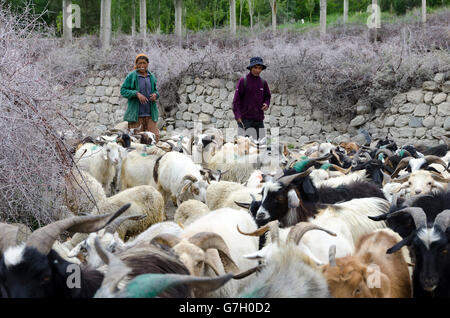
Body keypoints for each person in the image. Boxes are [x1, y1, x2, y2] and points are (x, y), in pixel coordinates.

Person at [120, 53, 160, 142]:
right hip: (136, 116)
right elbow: (123, 91)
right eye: (139, 63)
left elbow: (156, 91)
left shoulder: (151, 77)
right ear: (136, 64)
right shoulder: (131, 76)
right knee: (137, 140)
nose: (142, 65)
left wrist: (155, 95)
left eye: (144, 63)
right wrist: (136, 94)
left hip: (150, 115)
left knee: (155, 138)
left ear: (147, 64)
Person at [232, 56, 271, 141]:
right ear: (250, 68)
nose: (258, 70)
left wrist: (266, 104)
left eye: (260, 68)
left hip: (259, 121)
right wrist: (237, 116)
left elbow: (267, 96)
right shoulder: (243, 81)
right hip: (245, 121)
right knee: (244, 148)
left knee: (261, 147)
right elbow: (236, 101)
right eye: (255, 68)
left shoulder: (263, 83)